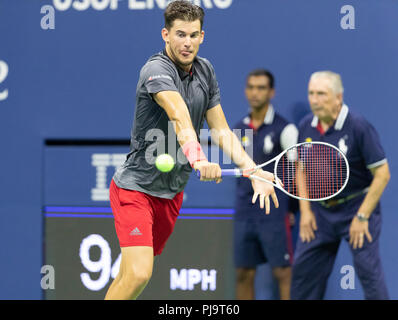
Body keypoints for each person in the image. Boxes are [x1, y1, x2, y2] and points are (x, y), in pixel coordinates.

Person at [104, 1, 278, 300]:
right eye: (180, 34)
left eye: (193, 35)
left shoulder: (205, 71)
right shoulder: (155, 69)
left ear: (202, 36)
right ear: (166, 35)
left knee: (130, 278)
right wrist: (198, 157)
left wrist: (253, 171)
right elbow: (178, 114)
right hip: (135, 190)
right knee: (138, 272)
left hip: (170, 194)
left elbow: (222, 130)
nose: (187, 43)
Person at [291, 71, 390, 300]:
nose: (314, 100)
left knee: (370, 276)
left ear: (338, 97)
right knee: (304, 278)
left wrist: (362, 216)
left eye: (321, 94)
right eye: (311, 94)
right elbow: (301, 170)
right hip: (320, 212)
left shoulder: (358, 126)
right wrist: (305, 211)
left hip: (357, 208)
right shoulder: (306, 126)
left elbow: (383, 174)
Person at [233, 69, 298, 300]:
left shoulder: (286, 129)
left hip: (274, 210)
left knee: (282, 272)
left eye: (261, 88)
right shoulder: (238, 128)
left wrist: (291, 208)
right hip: (245, 211)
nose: (255, 93)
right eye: (251, 87)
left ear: (272, 92)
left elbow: (295, 171)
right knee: (243, 273)